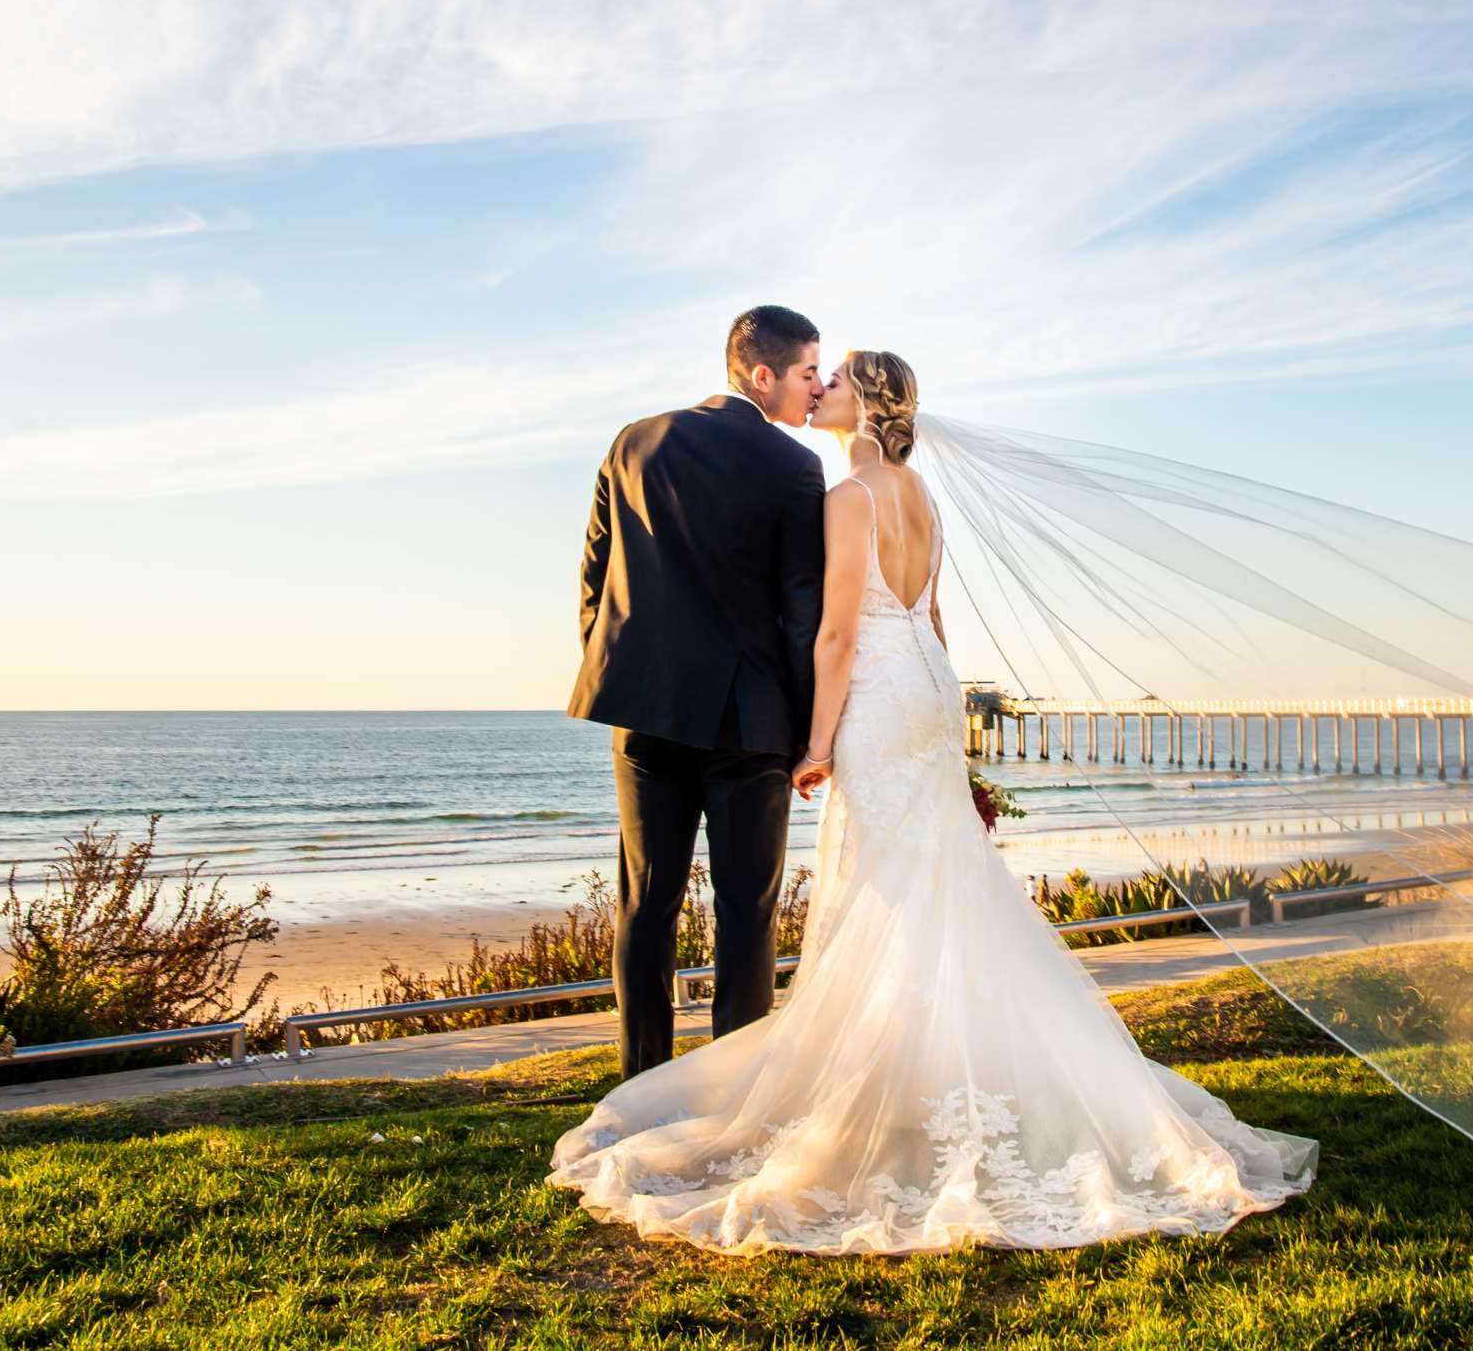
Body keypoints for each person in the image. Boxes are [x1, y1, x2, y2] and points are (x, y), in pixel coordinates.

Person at [549, 348, 1316, 1254]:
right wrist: (933, 719)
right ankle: (930, 1077)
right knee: (938, 886)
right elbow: (934, 619)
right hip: (929, 690)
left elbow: (835, 633)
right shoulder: (923, 499)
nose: (818, 388)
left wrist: (821, 740)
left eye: (831, 381)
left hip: (874, 699)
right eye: (812, 374)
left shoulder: (843, 495)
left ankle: (886, 1085)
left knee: (883, 887)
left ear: (864, 405)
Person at [567, 305, 829, 1078]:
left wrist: (624, 671)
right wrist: (815, 731)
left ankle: (639, 1081)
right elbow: (801, 611)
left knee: (645, 902)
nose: (816, 388)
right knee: (746, 913)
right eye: (808, 371)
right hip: (750, 724)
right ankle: (732, 1088)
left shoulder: (634, 441)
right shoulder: (794, 468)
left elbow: (594, 576)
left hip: (644, 715)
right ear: (763, 374)